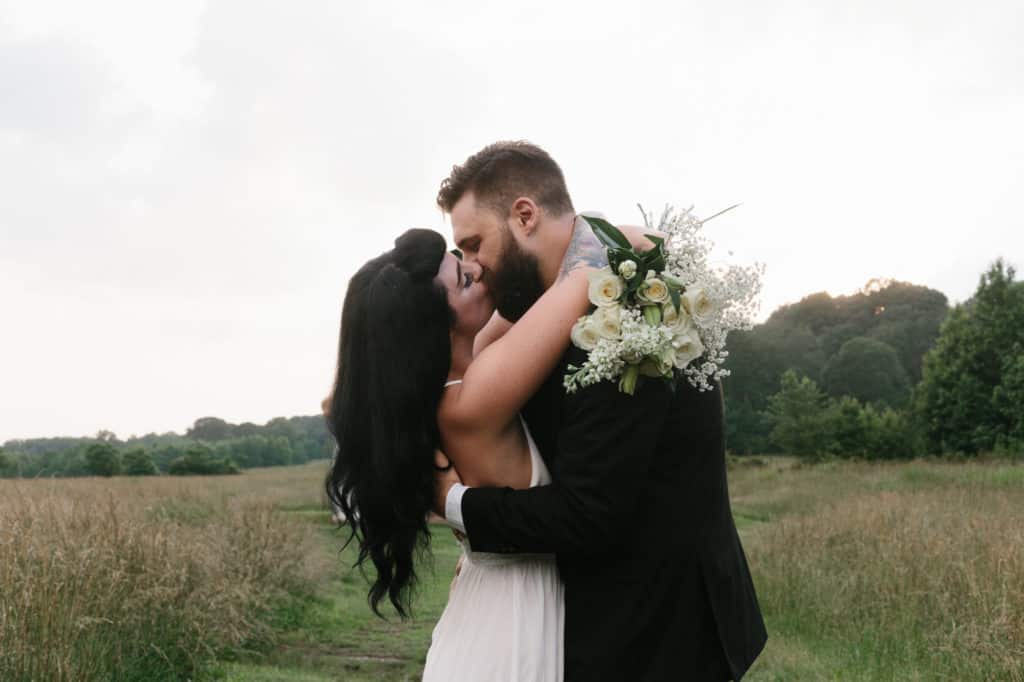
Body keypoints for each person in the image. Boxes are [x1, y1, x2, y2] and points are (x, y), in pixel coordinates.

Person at [433, 141, 768, 681]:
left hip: (658, 634)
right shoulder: (564, 299)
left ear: (524, 215)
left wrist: (457, 507)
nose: (473, 267)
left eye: (474, 245)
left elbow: (588, 514)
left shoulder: (623, 316)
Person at [324, 227, 595, 681]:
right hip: (511, 625)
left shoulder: (457, 386)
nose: (477, 269)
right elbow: (585, 274)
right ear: (434, 326)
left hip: (488, 604)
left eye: (462, 259)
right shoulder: (473, 400)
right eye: (464, 280)